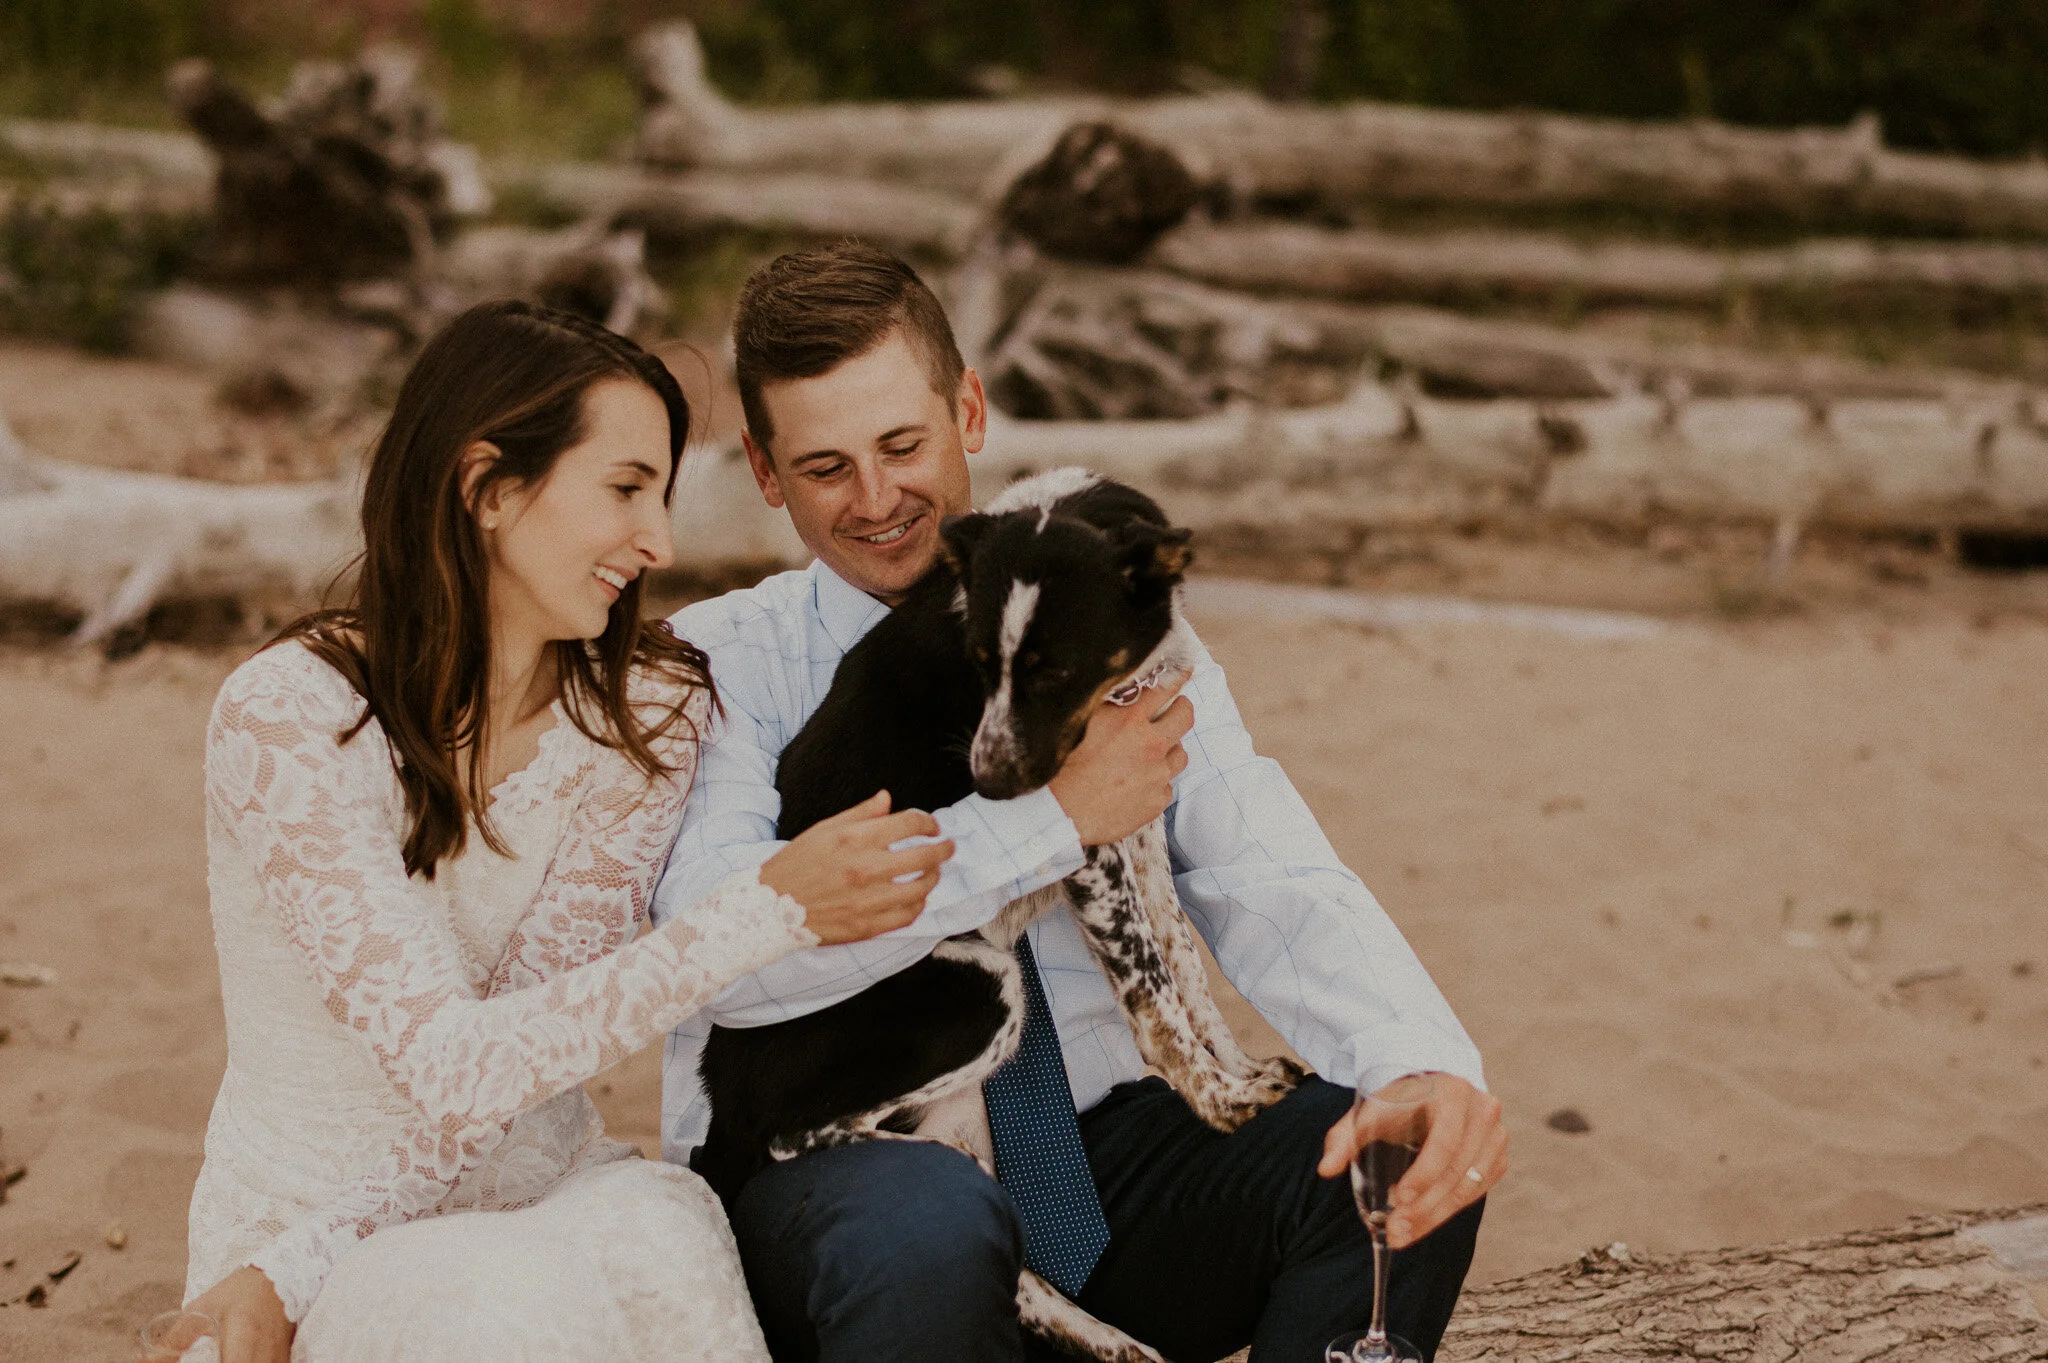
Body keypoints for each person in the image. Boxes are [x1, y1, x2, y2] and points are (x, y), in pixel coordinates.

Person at [653, 244, 1507, 1363]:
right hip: (837, 1177)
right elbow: (720, 954)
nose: (876, 501)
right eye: (823, 468)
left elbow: (1262, 867)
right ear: (765, 474)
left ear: (968, 409)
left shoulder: (1110, 610)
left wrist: (1417, 1061)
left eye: (901, 445)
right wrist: (1047, 818)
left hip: (1097, 1162)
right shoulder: (719, 664)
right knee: (926, 1230)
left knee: (1386, 1166)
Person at [178, 300, 955, 1363]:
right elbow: (451, 1071)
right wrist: (773, 906)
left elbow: (524, 1072)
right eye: (627, 488)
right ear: (488, 487)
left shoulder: (644, 717)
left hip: (554, 1187)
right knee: (504, 1315)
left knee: (664, 1252)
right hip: (314, 1228)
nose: (661, 541)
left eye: (664, 495)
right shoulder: (291, 716)